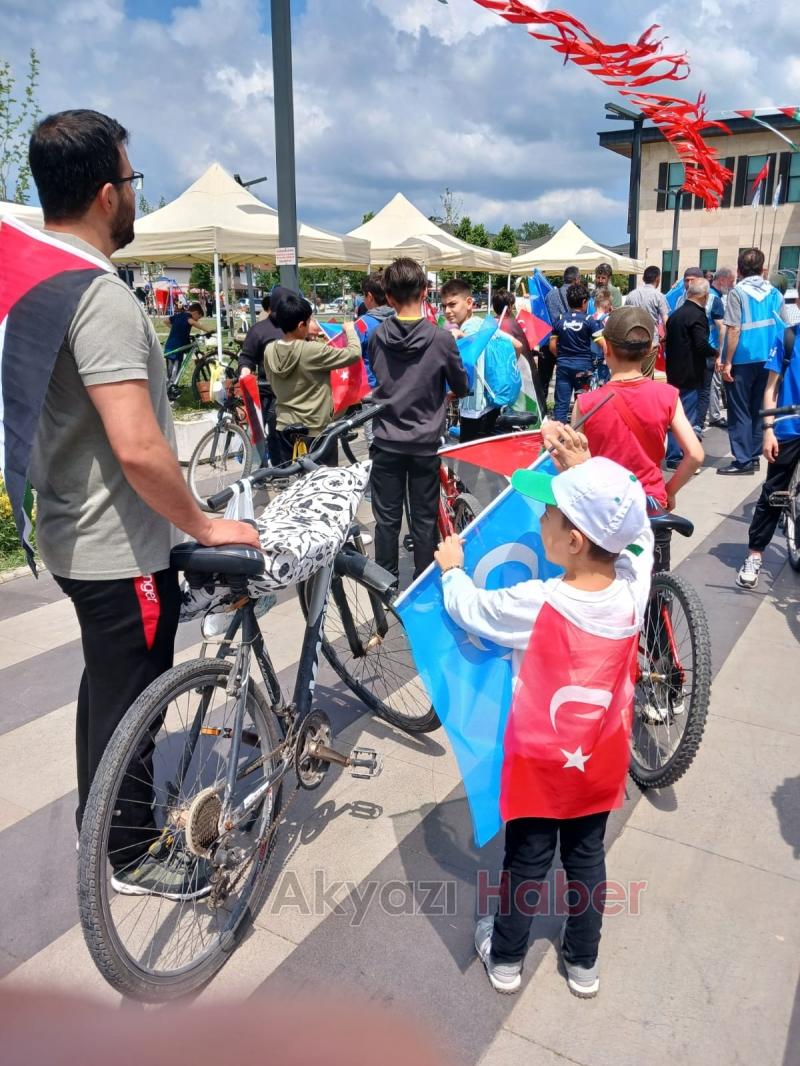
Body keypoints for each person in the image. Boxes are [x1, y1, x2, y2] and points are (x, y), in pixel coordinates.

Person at [26, 109, 260, 898]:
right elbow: (136, 444)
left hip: (68, 530)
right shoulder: (100, 298)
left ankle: (102, 829)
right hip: (116, 544)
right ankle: (128, 856)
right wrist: (203, 521)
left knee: (106, 687)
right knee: (134, 702)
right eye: (132, 181)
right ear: (105, 193)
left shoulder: (38, 278)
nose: (135, 196)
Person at [434, 425, 653, 998]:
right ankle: (583, 964)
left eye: (550, 514)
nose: (540, 521)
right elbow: (641, 539)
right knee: (586, 858)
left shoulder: (541, 602)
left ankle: (505, 958)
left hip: (537, 761)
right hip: (601, 760)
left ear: (574, 540)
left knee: (527, 859)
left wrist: (452, 566)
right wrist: (589, 468)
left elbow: (472, 611)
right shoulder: (633, 592)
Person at [574, 307, 703, 572]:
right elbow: (695, 455)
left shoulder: (587, 404)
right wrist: (669, 491)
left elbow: (576, 465)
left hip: (606, 510)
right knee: (656, 583)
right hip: (651, 504)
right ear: (647, 352)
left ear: (606, 348)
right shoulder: (667, 395)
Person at [369, 258, 469, 581]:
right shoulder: (441, 340)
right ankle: (422, 592)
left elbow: (379, 377)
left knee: (386, 523)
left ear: (389, 297)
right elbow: (461, 386)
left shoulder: (377, 336)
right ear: (425, 291)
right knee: (424, 523)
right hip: (425, 445)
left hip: (385, 442)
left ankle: (385, 591)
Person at [735, 309, 800, 588]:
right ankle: (755, 554)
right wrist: (768, 429)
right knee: (773, 491)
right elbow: (771, 388)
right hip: (788, 425)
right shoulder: (787, 337)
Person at [264, 291, 361, 465]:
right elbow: (354, 354)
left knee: (295, 484)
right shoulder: (312, 350)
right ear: (301, 325)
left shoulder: (270, 349)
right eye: (309, 322)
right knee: (323, 483)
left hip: (284, 426)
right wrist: (350, 331)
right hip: (315, 429)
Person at [719, 248, 784, 475]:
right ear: (763, 269)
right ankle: (755, 454)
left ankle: (742, 460)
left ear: (739, 270)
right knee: (759, 407)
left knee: (739, 410)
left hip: (743, 359)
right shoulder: (775, 293)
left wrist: (727, 361)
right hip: (769, 358)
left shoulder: (737, 293)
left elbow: (734, 329)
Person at [664, 277, 717, 468]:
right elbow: (701, 345)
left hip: (674, 371)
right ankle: (682, 456)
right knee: (686, 417)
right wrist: (715, 352)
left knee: (674, 415)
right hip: (691, 372)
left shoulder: (676, 314)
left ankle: (672, 454)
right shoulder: (698, 315)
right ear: (704, 296)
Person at [441, 277, 501, 442]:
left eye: (452, 304)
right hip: (492, 402)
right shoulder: (485, 325)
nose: (447, 311)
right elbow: (516, 345)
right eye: (444, 306)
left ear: (469, 303)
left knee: (468, 463)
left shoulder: (467, 328)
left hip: (474, 407)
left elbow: (465, 366)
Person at [238, 292, 285, 466]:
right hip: (265, 390)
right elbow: (247, 357)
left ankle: (281, 469)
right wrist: (245, 371)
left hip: (289, 391)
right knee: (259, 433)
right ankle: (262, 469)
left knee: (277, 434)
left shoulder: (294, 327)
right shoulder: (259, 330)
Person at [548, 283, 605, 423]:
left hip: (563, 366)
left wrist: (562, 357)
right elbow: (604, 345)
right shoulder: (589, 321)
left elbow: (552, 346)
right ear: (584, 302)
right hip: (584, 369)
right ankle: (581, 436)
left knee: (561, 406)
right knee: (583, 405)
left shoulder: (560, 320)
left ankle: (560, 439)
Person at [492, 288, 546, 409]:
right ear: (510, 306)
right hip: (516, 372)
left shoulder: (489, 323)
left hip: (497, 374)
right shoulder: (511, 323)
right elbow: (519, 346)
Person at [698, 267, 735, 431]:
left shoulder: (707, 296)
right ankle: (712, 416)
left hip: (700, 347)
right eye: (731, 281)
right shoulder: (715, 300)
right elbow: (721, 328)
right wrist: (720, 353)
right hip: (711, 348)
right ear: (722, 280)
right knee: (712, 385)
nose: (732, 285)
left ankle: (705, 415)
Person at [623, 265, 670, 378]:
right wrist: (667, 336)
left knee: (634, 374)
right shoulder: (659, 296)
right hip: (650, 341)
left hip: (632, 340)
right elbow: (665, 319)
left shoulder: (631, 295)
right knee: (647, 376)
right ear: (658, 279)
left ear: (644, 278)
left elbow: (625, 315)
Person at [163, 300, 211, 388]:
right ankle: (171, 389)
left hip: (169, 346)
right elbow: (192, 322)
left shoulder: (179, 315)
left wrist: (175, 329)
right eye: (198, 318)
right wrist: (209, 331)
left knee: (170, 371)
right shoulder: (188, 317)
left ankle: (168, 386)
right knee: (175, 371)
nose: (197, 320)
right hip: (177, 347)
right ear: (196, 313)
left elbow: (165, 320)